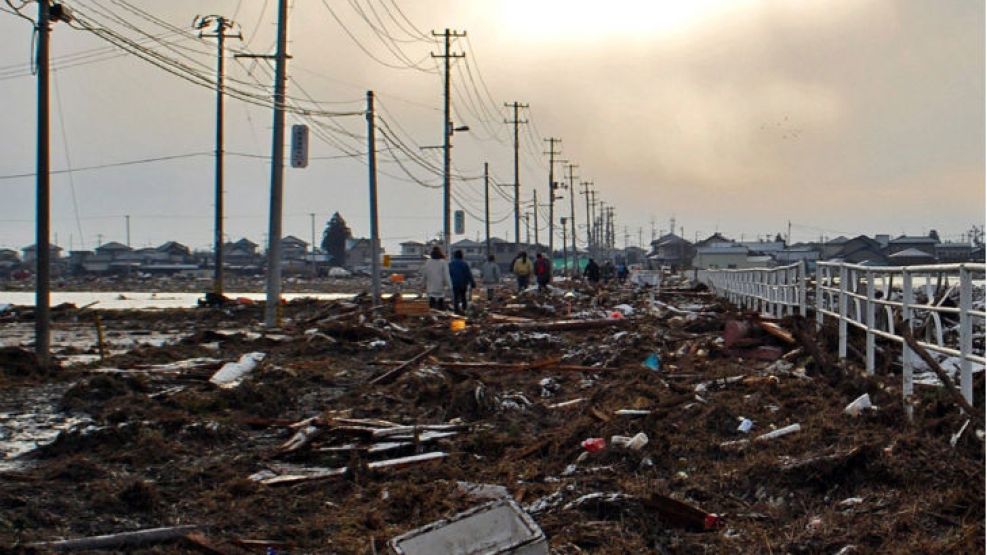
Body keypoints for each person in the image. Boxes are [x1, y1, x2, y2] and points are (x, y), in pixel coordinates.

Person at [421, 246, 452, 310]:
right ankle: (440, 316)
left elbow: (424, 274)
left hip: (431, 287)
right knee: (440, 303)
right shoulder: (443, 262)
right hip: (440, 286)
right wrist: (450, 286)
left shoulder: (428, 262)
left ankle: (432, 316)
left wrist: (422, 284)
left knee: (431, 303)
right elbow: (446, 275)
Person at [448, 250, 476, 314]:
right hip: (463, 283)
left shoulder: (451, 264)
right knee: (463, 297)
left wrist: (449, 282)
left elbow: (449, 274)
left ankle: (456, 311)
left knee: (456, 297)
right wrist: (472, 283)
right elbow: (468, 274)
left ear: (454, 256)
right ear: (462, 256)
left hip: (454, 283)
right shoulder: (464, 264)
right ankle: (464, 310)